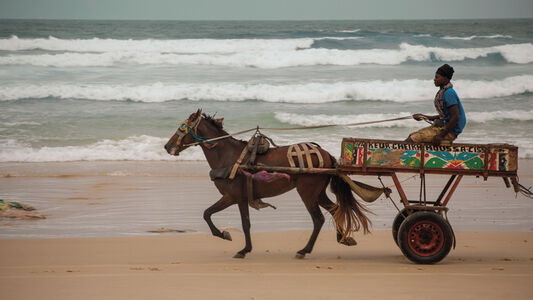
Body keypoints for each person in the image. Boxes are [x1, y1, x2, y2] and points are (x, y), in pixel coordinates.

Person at [406, 64, 466, 146]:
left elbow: (455, 117)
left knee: (413, 139)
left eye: (437, 77)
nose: (434, 79)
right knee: (412, 135)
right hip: (445, 128)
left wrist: (441, 136)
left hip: (450, 131)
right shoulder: (444, 91)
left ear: (445, 78)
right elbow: (445, 116)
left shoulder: (449, 93)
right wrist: (424, 116)